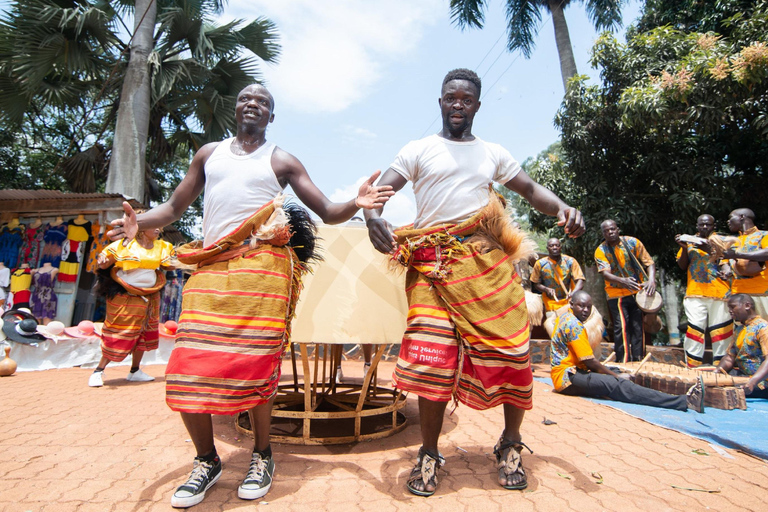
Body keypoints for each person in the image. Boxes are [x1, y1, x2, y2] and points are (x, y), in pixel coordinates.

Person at [107, 83, 393, 508]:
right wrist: (139, 223)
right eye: (246, 99)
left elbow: (328, 213)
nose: (253, 104)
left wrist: (357, 201)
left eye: (263, 102)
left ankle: (262, 455)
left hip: (262, 273)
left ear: (271, 116)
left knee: (257, 367)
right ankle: (207, 461)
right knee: (188, 365)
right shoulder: (209, 154)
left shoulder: (281, 160)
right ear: (235, 108)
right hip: (210, 269)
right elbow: (172, 208)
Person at [365, 68, 584, 496]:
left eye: (467, 99)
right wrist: (372, 218)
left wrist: (563, 207)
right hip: (433, 264)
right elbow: (377, 192)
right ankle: (429, 453)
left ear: (477, 106)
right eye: (451, 98)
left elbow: (531, 189)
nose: (458, 104)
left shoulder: (492, 153)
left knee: (514, 352)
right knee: (432, 355)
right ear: (441, 102)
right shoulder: (418, 149)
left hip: (486, 263)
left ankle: (510, 443)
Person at [550, 291, 705, 412]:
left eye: (588, 307)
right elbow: (590, 362)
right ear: (571, 304)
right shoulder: (573, 325)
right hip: (567, 378)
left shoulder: (565, 318)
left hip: (571, 373)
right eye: (581, 306)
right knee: (618, 384)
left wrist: (613, 372)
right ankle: (685, 401)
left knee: (614, 371)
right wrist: (617, 377)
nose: (585, 310)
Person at [88, 224, 175, 387]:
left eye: (159, 227)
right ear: (141, 229)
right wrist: (103, 261)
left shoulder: (162, 247)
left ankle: (135, 371)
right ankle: (98, 371)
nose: (157, 229)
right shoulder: (124, 245)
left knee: (143, 332)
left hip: (150, 294)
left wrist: (185, 259)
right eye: (154, 225)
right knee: (119, 331)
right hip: (125, 295)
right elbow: (104, 264)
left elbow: (169, 266)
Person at [675, 215, 733, 367]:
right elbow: (682, 265)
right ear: (697, 225)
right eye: (702, 225)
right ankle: (692, 367)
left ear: (714, 226)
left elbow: (726, 262)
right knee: (694, 329)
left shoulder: (721, 240)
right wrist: (684, 247)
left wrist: (708, 249)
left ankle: (720, 368)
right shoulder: (690, 241)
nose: (705, 227)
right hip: (695, 292)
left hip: (719, 293)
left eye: (708, 225)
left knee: (720, 331)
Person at [594, 220, 656, 363]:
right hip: (616, 294)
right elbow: (605, 273)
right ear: (603, 233)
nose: (610, 232)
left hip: (637, 293)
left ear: (618, 229)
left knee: (637, 327)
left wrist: (651, 280)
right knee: (621, 326)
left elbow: (649, 263)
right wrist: (623, 281)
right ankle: (623, 361)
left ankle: (638, 360)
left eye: (612, 229)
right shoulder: (601, 250)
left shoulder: (633, 242)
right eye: (606, 231)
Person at [717, 294, 768, 398]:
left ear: (747, 306)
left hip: (761, 382)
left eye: (733, 307)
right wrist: (716, 372)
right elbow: (730, 357)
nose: (730, 311)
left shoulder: (763, 328)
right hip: (743, 376)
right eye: (729, 308)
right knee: (709, 375)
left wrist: (753, 381)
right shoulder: (739, 329)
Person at [723, 208, 768, 319]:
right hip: (739, 295)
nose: (728, 222)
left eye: (730, 218)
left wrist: (737, 254)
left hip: (762, 292)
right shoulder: (732, 242)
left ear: (742, 217)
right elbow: (724, 263)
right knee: (743, 332)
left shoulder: (764, 235)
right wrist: (726, 271)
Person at [530, 237, 584, 318]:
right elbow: (535, 283)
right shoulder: (540, 264)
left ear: (560, 247)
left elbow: (580, 280)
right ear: (547, 248)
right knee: (553, 328)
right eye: (551, 246)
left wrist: (573, 293)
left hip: (569, 303)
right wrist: (546, 289)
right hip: (551, 304)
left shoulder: (570, 261)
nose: (554, 247)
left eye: (557, 245)